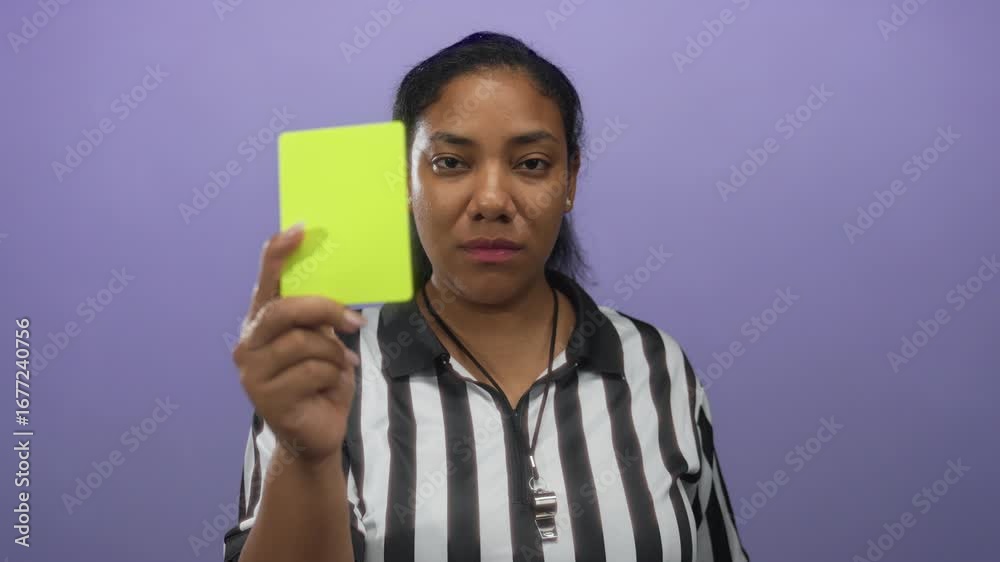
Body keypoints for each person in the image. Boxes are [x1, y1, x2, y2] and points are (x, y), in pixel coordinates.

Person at [222, 31, 750, 562]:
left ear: (570, 179)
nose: (493, 200)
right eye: (451, 163)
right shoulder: (324, 369)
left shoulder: (655, 365)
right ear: (403, 180)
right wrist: (306, 456)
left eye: (532, 163)